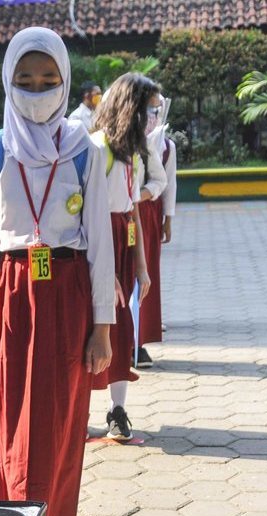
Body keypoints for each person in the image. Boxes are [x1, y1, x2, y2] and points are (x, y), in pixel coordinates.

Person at [0, 27, 114, 516]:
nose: (38, 90)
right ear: (7, 82)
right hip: (9, 296)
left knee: (66, 421)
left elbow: (101, 242)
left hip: (68, 292)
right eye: (25, 80)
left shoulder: (86, 152)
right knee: (9, 418)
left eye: (49, 80)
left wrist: (103, 327)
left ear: (66, 82)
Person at [87, 74, 164, 441]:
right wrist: (105, 273)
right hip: (99, 243)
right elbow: (88, 215)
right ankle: (79, 415)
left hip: (123, 241)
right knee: (92, 329)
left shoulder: (133, 153)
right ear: (129, 108)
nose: (153, 117)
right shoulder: (96, 149)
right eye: (149, 109)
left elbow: (131, 208)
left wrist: (141, 266)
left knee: (122, 328)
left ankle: (117, 411)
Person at [132, 89, 170, 370]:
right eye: (148, 110)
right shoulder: (96, 142)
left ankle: (138, 341)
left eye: (155, 111)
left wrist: (137, 196)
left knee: (139, 275)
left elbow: (162, 180)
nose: (152, 117)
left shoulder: (147, 145)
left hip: (138, 215)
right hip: (105, 219)